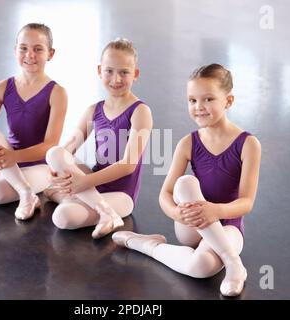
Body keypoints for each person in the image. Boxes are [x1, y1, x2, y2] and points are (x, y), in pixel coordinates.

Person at [112, 64, 261, 297]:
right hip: (190, 225)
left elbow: (246, 203)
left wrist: (215, 211)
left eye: (208, 99)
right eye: (192, 100)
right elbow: (166, 194)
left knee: (201, 267)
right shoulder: (188, 143)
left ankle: (143, 244)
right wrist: (176, 214)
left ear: (228, 101)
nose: (199, 107)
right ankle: (234, 263)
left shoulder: (248, 144)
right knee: (185, 184)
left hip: (228, 225)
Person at [44, 38, 153, 239]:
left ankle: (75, 199)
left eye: (124, 72)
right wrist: (53, 172)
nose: (116, 79)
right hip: (93, 185)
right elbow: (67, 149)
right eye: (109, 71)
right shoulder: (94, 110)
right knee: (54, 153)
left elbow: (128, 165)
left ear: (135, 74)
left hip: (122, 195)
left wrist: (83, 183)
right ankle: (105, 212)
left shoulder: (140, 112)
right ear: (99, 71)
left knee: (63, 217)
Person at [0, 23, 67, 220]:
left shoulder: (57, 93)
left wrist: (13, 157)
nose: (30, 55)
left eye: (38, 49)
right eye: (23, 48)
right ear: (15, 51)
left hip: (40, 166)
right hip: (8, 159)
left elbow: (51, 145)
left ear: (50, 53)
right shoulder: (3, 87)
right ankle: (25, 192)